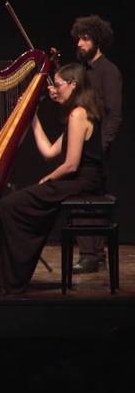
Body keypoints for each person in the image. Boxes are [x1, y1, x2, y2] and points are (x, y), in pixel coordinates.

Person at [0, 63, 104, 294]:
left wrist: (48, 178)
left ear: (73, 85)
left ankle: (9, 279)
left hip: (82, 181)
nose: (54, 90)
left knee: (8, 206)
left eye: (58, 85)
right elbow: (49, 151)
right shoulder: (77, 113)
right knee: (7, 206)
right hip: (75, 180)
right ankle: (4, 278)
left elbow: (71, 164)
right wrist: (32, 117)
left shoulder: (79, 114)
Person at [70, 14, 122, 274]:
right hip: (82, 144)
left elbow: (114, 113)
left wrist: (102, 146)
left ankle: (92, 254)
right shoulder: (82, 71)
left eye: (85, 38)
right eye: (78, 38)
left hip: (97, 148)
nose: (80, 43)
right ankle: (88, 254)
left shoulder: (108, 71)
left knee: (91, 200)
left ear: (97, 40)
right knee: (78, 199)